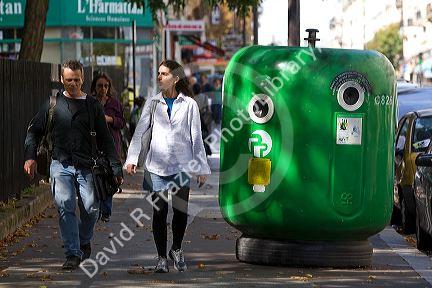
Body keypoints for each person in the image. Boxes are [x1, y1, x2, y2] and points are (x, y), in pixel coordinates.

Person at [23, 60, 123, 270]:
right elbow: (33, 131)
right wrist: (30, 157)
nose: (73, 84)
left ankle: (83, 241)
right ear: (62, 79)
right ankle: (72, 253)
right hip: (60, 165)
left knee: (91, 208)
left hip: (87, 166)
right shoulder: (52, 104)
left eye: (77, 80)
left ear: (83, 79)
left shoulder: (92, 105)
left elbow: (106, 138)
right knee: (65, 205)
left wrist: (116, 167)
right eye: (68, 80)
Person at [125, 60, 211, 273]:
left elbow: (196, 137)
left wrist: (201, 168)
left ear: (176, 77)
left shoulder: (189, 104)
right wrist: (132, 158)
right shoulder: (153, 103)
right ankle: (162, 258)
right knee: (159, 213)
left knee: (180, 212)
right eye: (159, 74)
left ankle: (177, 248)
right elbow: (140, 132)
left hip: (182, 165)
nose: (159, 77)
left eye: (164, 74)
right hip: (156, 167)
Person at [90, 72, 126, 222]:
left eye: (106, 86)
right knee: (96, 178)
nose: (103, 89)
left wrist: (110, 119)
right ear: (94, 87)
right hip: (94, 145)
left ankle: (106, 211)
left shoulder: (114, 103)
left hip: (112, 145)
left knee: (110, 177)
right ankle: (96, 210)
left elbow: (122, 122)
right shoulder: (90, 102)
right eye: (100, 86)